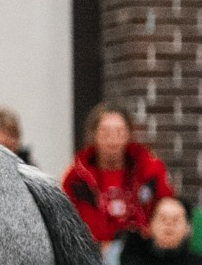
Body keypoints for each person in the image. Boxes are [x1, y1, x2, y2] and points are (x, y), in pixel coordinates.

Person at [61, 105, 174, 253]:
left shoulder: (150, 170)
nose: (113, 140)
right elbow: (70, 222)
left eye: (119, 132)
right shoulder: (77, 178)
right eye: (105, 133)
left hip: (147, 252)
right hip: (94, 254)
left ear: (129, 134)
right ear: (93, 135)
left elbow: (166, 207)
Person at [118, 196, 202, 265]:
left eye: (176, 220)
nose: (169, 224)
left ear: (188, 228)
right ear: (150, 225)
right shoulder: (134, 264)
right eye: (163, 219)